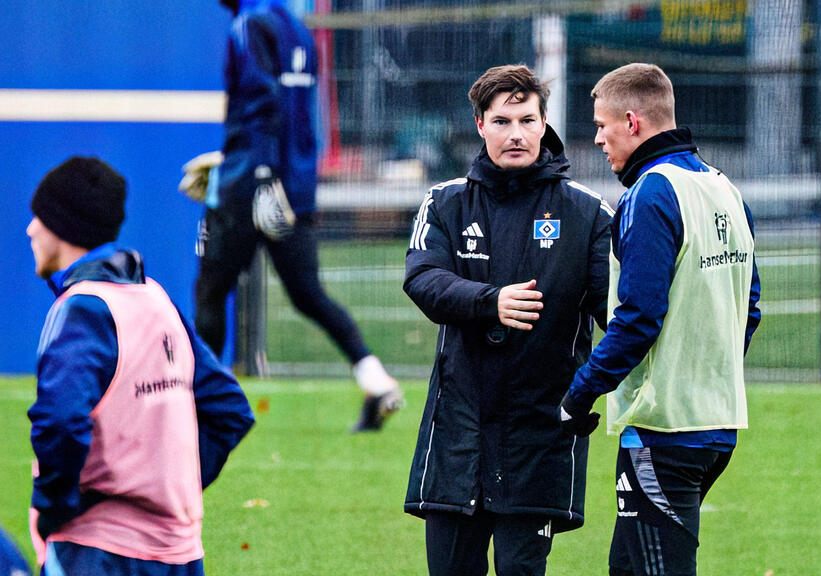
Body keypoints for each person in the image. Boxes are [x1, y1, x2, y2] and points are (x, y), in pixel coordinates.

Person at [403, 64, 614, 575]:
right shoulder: (445, 202)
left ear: (545, 124)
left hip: (539, 432)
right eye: (501, 121)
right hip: (459, 430)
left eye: (526, 120)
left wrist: (592, 389)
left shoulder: (589, 214)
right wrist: (488, 301)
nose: (515, 134)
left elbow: (624, 315)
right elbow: (423, 278)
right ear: (479, 125)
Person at [559, 63, 762, 576]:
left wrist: (580, 393)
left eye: (602, 126)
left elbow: (638, 317)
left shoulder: (649, 193)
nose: (598, 140)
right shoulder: (724, 189)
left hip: (663, 429)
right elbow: (749, 308)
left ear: (632, 122)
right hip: (716, 424)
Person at [25, 157, 256, 575]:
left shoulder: (80, 309)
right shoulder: (155, 297)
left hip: (96, 549)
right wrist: (163, 489)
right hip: (180, 552)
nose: (30, 229)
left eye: (38, 216)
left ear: (62, 225)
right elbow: (230, 411)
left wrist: (55, 508)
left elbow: (60, 423)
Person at [183, 0, 402, 431]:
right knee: (308, 295)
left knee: (211, 290)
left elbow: (261, 103)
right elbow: (297, 112)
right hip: (296, 187)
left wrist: (256, 170)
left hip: (251, 185)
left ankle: (203, 408)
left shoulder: (249, 23)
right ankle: (376, 381)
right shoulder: (296, 27)